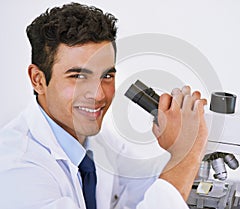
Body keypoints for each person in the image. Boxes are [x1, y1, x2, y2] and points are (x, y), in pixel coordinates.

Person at [0, 2, 208, 209]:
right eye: (79, 76)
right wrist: (187, 153)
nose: (99, 95)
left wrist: (185, 140)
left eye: (107, 75)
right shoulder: (16, 170)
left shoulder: (95, 139)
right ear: (38, 80)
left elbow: (142, 182)